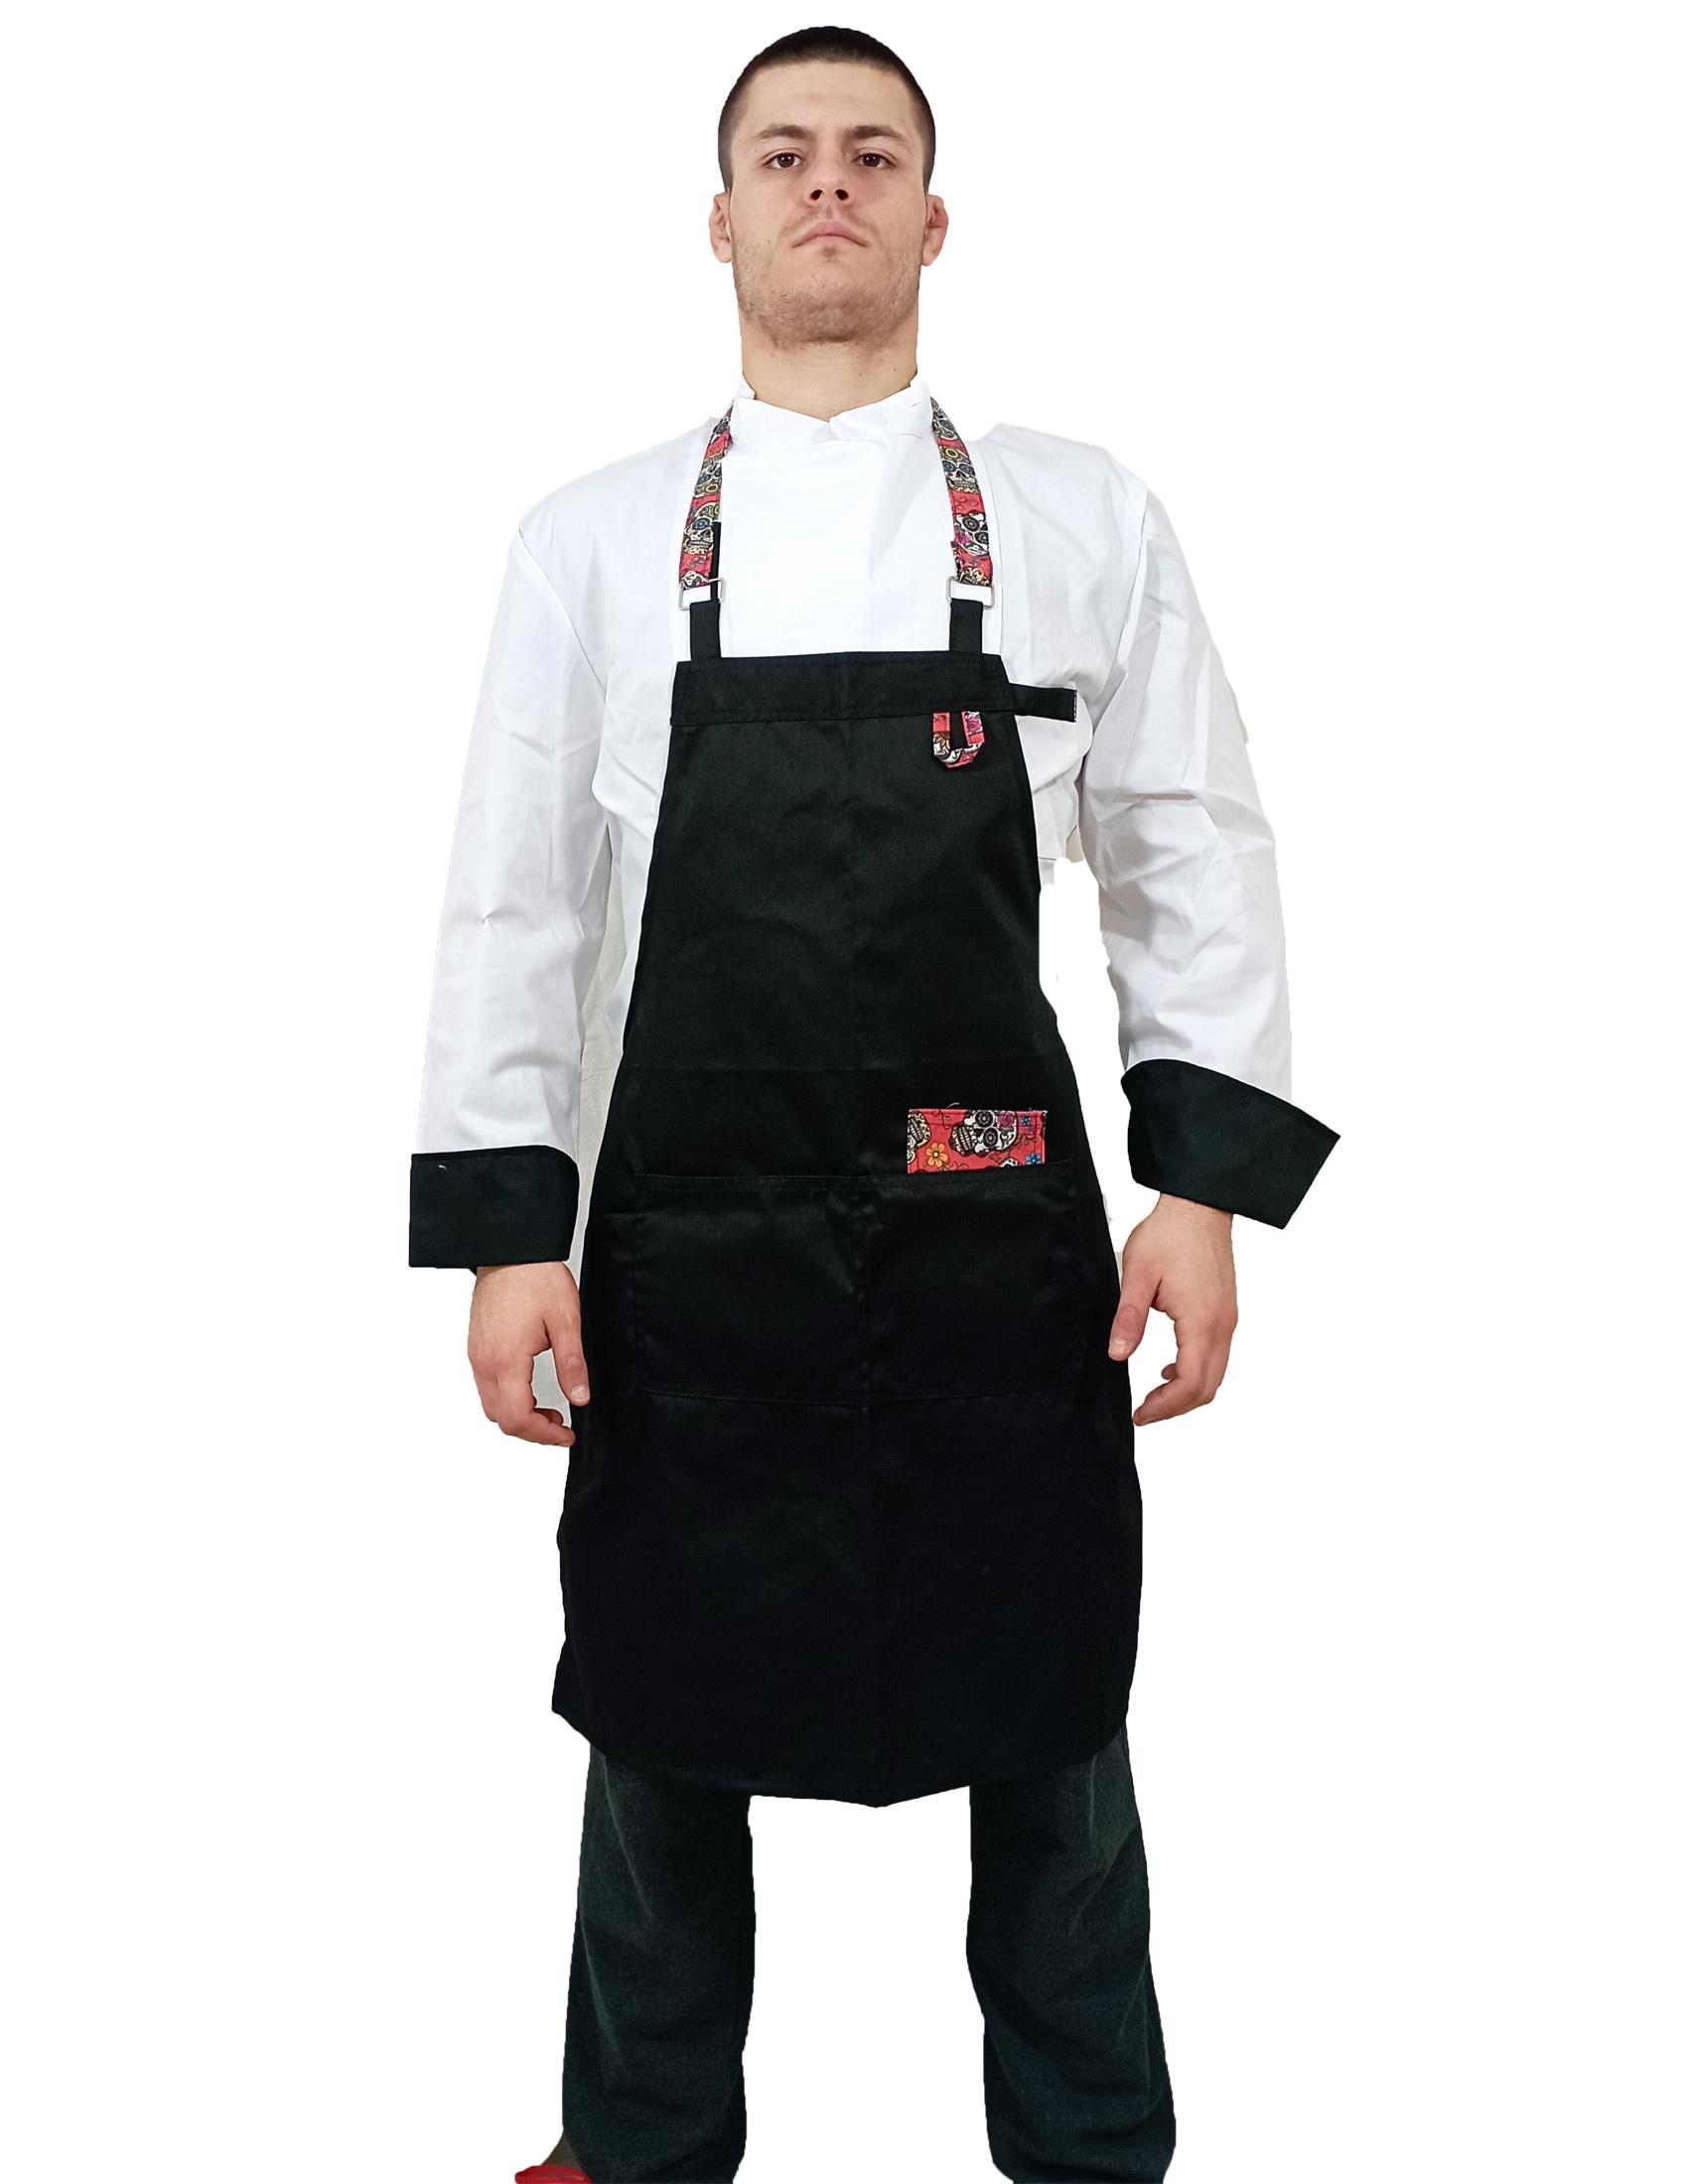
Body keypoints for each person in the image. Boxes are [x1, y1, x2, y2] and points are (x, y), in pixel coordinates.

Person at [408, 26, 1337, 2184]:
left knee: (1052, 1711)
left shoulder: (1081, 516)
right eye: (782, 154)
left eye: (870, 153)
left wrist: (1199, 1189)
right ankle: (635, 2144)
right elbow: (517, 892)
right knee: (659, 1709)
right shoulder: (589, 542)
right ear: (717, 218)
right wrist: (509, 1234)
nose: (826, 184)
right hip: (685, 1250)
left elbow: (1191, 841)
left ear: (934, 218)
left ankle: (1091, 2151)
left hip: (990, 1230)